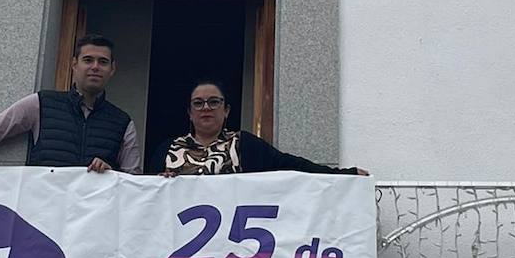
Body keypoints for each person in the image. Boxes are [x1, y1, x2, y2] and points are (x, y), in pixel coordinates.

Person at [0, 34, 141, 178]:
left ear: (112, 69)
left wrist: (111, 174)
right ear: (74, 64)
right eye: (88, 60)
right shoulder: (42, 104)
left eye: (102, 62)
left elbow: (135, 182)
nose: (95, 67)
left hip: (94, 223)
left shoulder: (122, 122)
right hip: (44, 217)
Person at [150, 80, 368, 177]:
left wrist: (344, 175)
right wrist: (158, 185)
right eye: (198, 103)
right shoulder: (167, 149)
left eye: (214, 102)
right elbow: (144, 193)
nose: (206, 108)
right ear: (189, 112)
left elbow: (290, 165)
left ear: (226, 110)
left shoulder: (244, 144)